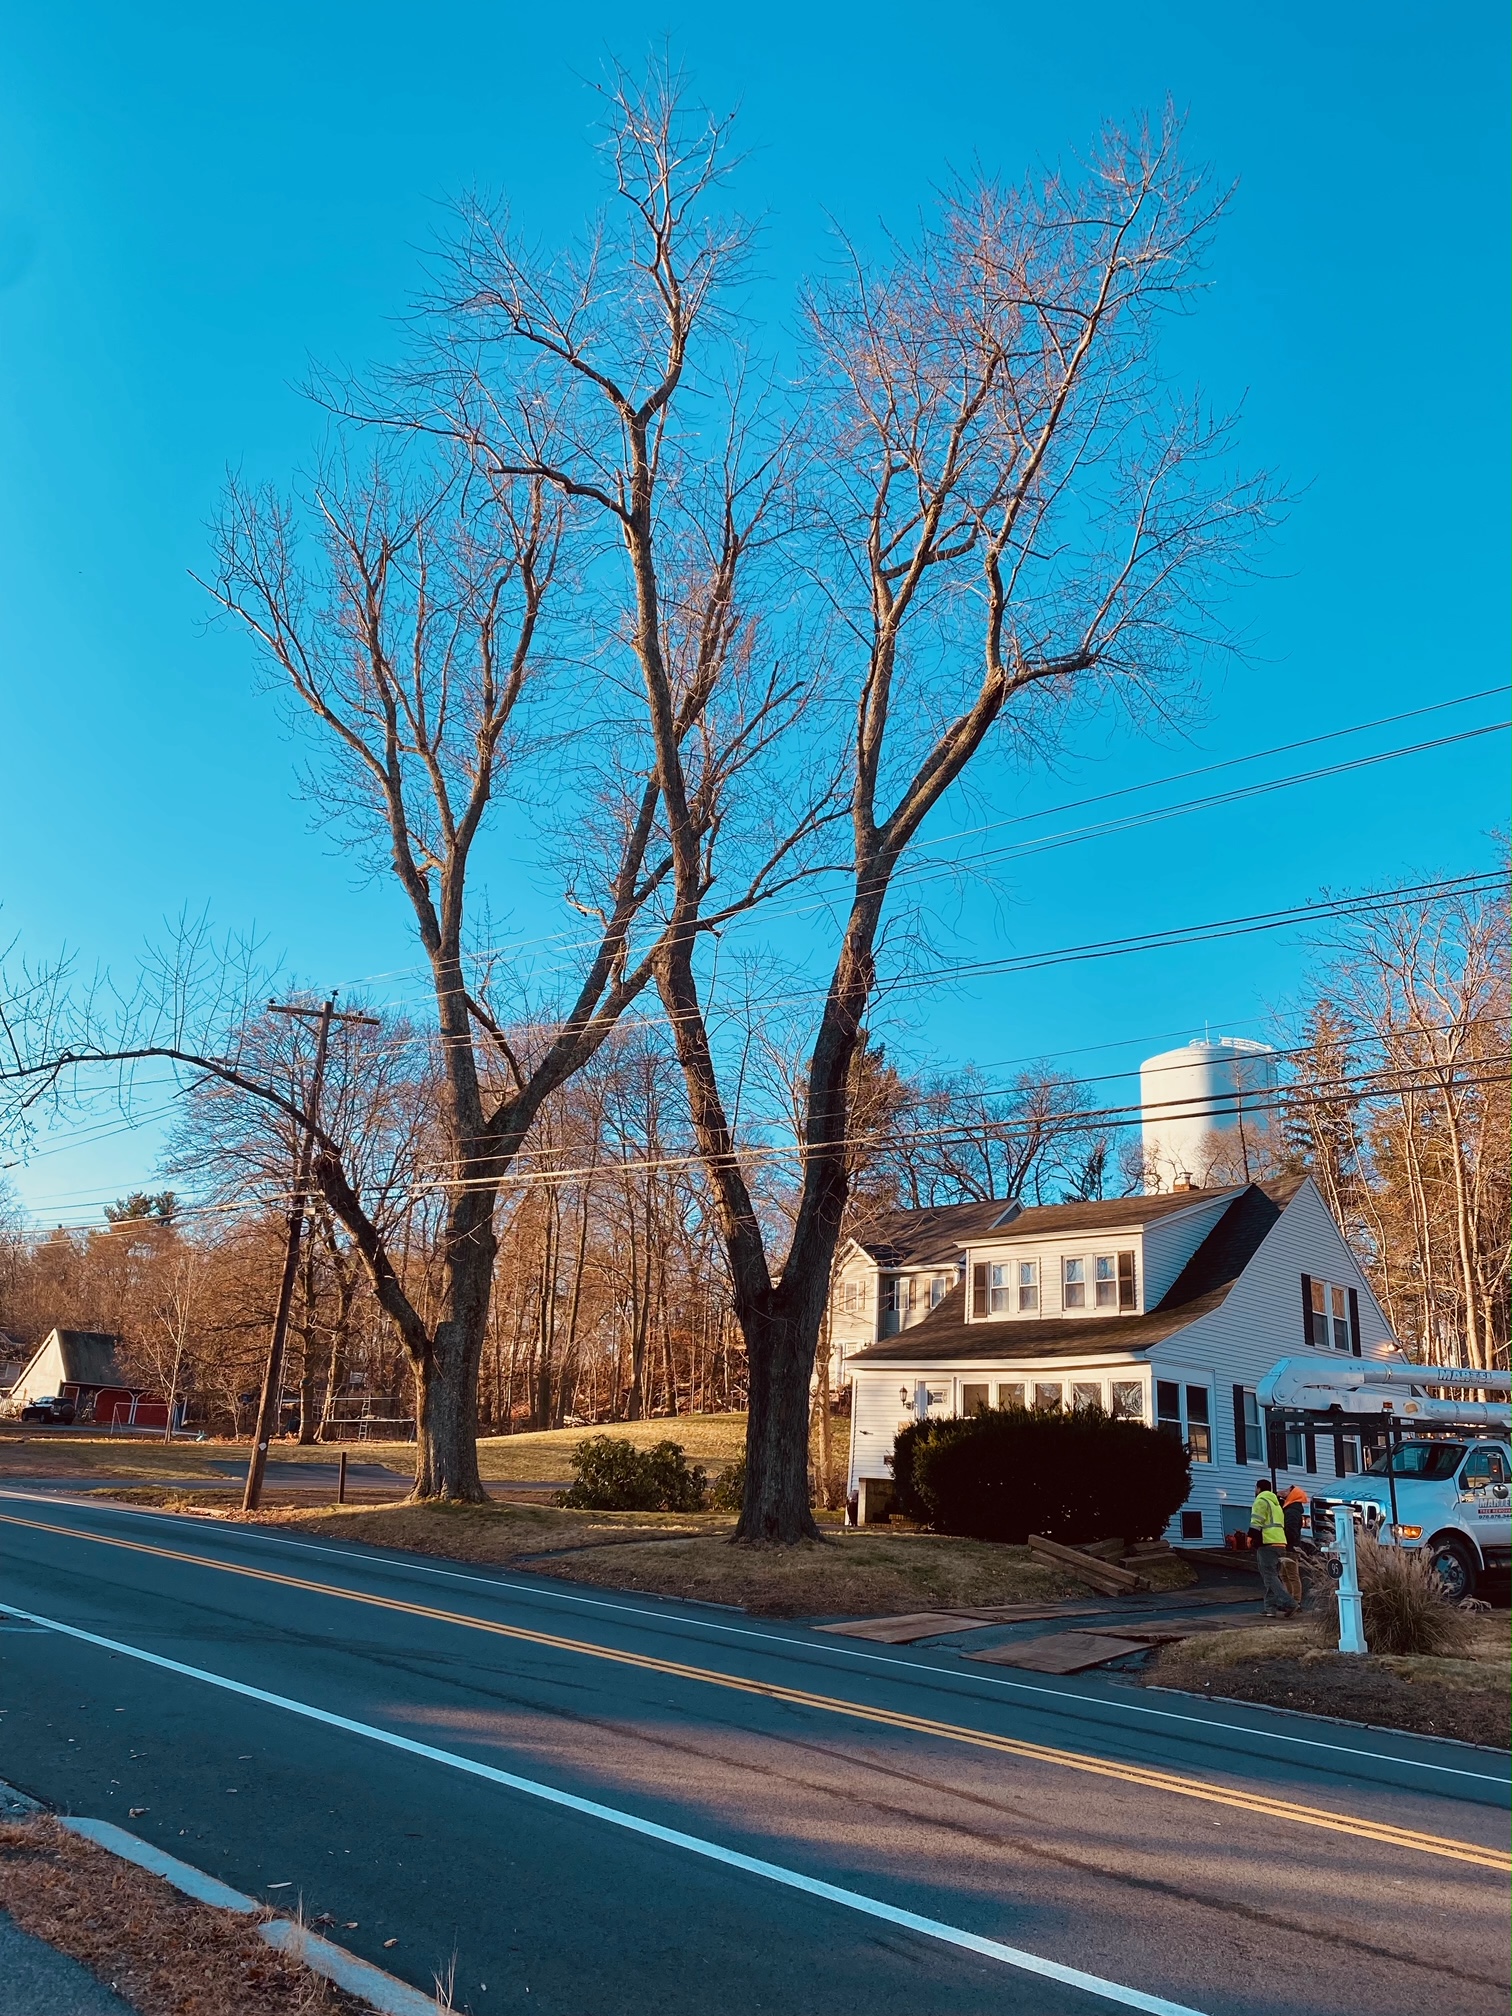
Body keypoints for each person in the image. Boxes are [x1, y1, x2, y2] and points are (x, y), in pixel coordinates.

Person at [1249, 1480, 1299, 1616]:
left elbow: (1256, 1522)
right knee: (1273, 1576)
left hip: (1267, 1542)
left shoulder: (1261, 1501)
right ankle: (1270, 1608)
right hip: (1280, 1542)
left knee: (1269, 1576)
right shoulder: (1276, 1504)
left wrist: (1250, 1537)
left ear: (1258, 1488)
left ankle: (1290, 1603)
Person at [1278, 1485, 1309, 1608]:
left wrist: (1287, 1542)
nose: (1284, 1492)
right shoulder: (1291, 1510)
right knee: (1285, 1575)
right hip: (1289, 1546)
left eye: (1288, 1491)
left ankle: (1295, 1601)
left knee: (1291, 1575)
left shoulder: (1291, 1512)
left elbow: (1290, 1530)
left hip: (1290, 1547)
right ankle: (1290, 1600)